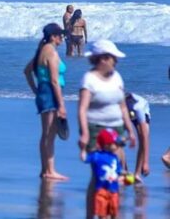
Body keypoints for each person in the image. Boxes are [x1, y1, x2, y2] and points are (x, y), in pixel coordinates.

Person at [78, 39, 136, 219]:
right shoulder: (89, 79)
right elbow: (82, 109)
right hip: (96, 130)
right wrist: (85, 134)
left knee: (114, 172)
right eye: (113, 58)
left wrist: (130, 130)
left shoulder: (117, 76)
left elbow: (123, 106)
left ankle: (112, 214)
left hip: (116, 129)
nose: (115, 62)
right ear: (102, 59)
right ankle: (91, 214)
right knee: (98, 175)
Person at [23, 23, 68, 181]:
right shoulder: (51, 53)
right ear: (53, 37)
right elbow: (55, 81)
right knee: (49, 133)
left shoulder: (41, 52)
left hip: (44, 92)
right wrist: (61, 104)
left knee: (48, 133)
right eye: (60, 35)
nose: (62, 37)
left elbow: (27, 71)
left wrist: (36, 90)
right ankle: (49, 170)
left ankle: (46, 169)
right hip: (50, 93)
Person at [80, 128, 125, 219]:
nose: (117, 145)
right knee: (102, 213)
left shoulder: (115, 158)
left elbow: (119, 172)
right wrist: (83, 148)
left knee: (114, 212)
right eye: (115, 143)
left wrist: (125, 177)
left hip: (114, 190)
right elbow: (84, 159)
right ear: (106, 144)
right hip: (101, 190)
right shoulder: (96, 155)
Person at [125, 92, 151, 182]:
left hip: (142, 112)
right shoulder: (116, 106)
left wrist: (146, 162)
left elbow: (145, 137)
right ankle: (125, 171)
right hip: (127, 113)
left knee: (142, 137)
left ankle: (137, 173)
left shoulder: (138, 107)